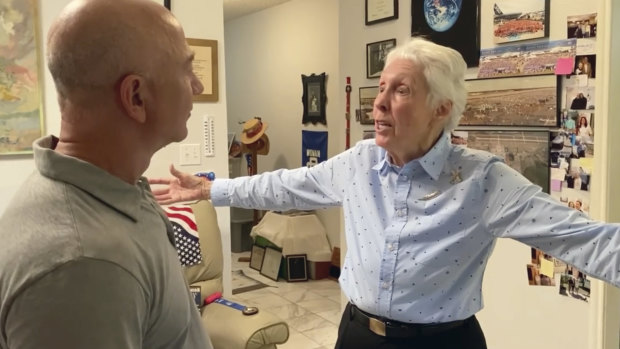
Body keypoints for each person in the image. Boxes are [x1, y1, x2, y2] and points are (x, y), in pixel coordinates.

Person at [149, 37, 620, 349]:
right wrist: (211, 189)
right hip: (357, 335)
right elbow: (286, 184)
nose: (378, 102)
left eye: (401, 90)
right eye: (381, 88)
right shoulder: (359, 163)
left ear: (441, 108)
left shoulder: (484, 181)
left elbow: (587, 240)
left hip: (442, 342)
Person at [0, 1, 210, 348]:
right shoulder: (84, 267)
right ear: (136, 97)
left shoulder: (113, 189)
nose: (198, 85)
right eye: (187, 71)